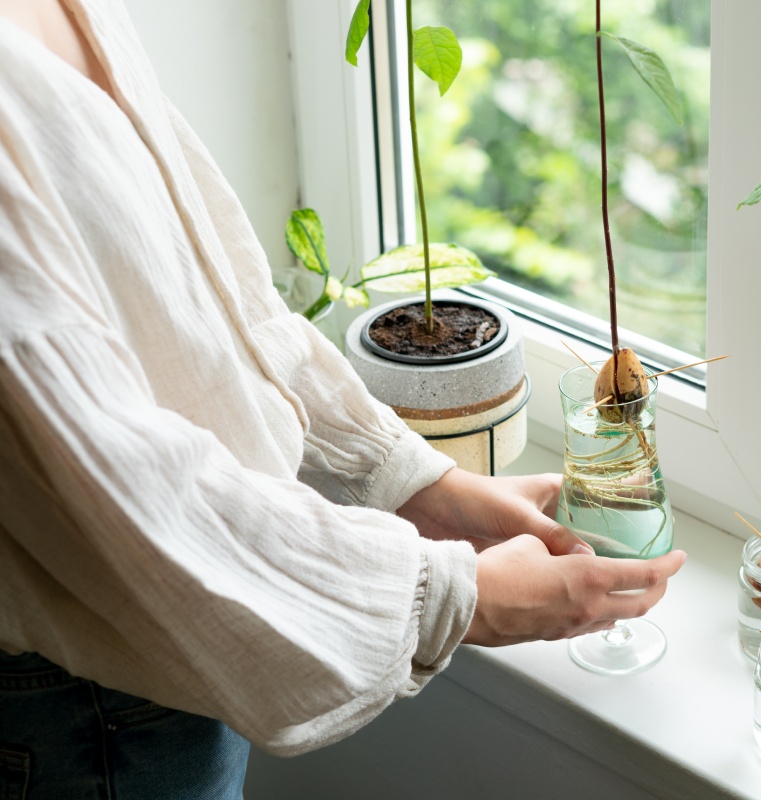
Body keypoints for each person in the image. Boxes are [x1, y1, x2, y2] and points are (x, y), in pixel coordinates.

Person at [0, 0, 687, 796]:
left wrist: (422, 487)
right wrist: (465, 598)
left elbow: (205, 304)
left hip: (157, 684)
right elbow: (127, 491)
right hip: (86, 723)